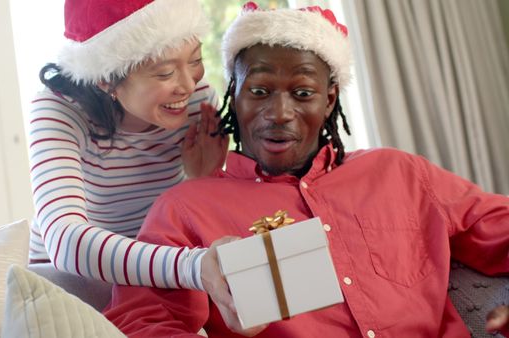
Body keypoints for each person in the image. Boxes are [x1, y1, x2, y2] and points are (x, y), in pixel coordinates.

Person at [103, 3, 509, 337]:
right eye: (259, 91)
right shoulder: (186, 209)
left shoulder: (399, 172)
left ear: (329, 100)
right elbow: (141, 322)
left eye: (302, 94)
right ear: (235, 97)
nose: (279, 114)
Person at [27, 0, 230, 294]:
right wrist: (191, 267)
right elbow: (65, 241)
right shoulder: (59, 111)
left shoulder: (198, 102)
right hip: (68, 279)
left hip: (157, 272)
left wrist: (201, 182)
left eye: (195, 60)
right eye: (165, 73)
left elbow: (192, 221)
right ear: (106, 80)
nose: (187, 85)